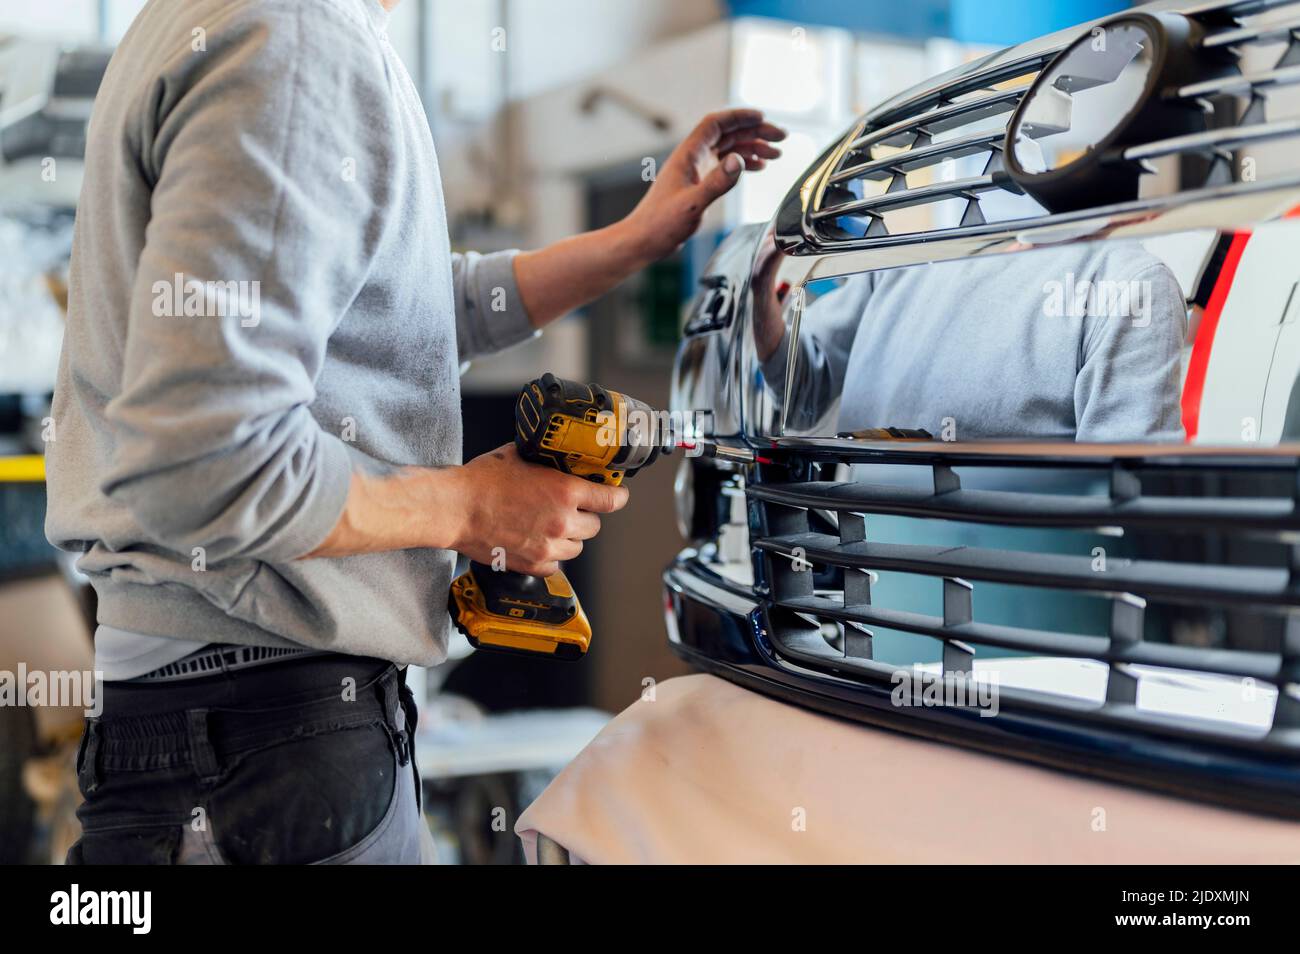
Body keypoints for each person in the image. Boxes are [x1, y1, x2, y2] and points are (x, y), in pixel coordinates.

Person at [44, 0, 785, 864]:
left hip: (231, 731)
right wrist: (472, 509)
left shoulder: (237, 24)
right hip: (262, 750)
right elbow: (204, 463)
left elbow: (406, 307)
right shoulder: (297, 40)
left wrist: (632, 242)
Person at [752, 238, 1188, 442]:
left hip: (1009, 604)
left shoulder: (1125, 282)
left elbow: (1123, 497)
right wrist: (758, 289)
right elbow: (801, 390)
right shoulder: (904, 263)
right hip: (858, 583)